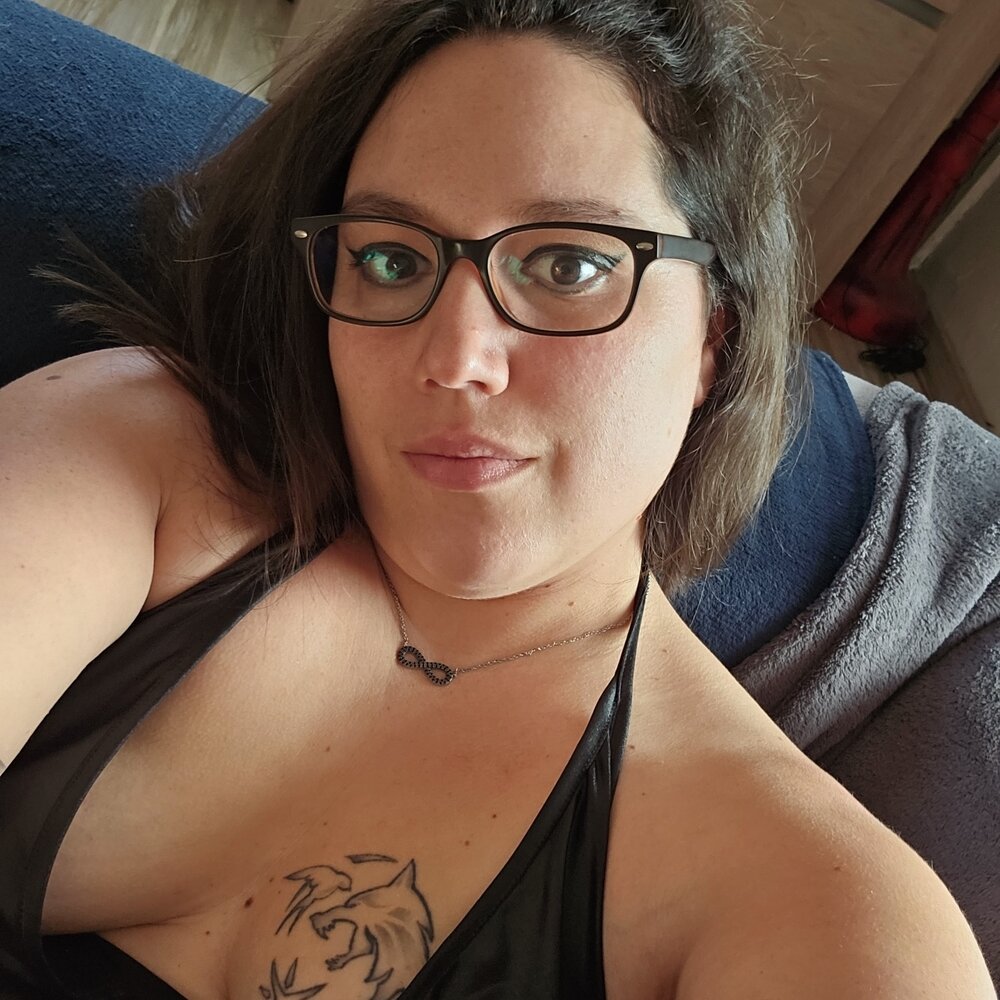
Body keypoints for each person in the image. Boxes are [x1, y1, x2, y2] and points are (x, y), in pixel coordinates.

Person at [0, 0, 995, 997]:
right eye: (391, 259)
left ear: (711, 340)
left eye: (569, 264)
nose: (456, 357)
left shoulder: (804, 901)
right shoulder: (143, 457)